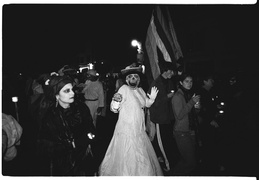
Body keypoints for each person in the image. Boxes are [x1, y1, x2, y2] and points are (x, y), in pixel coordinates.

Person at [99, 64, 163, 176]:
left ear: (138, 79)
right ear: (127, 79)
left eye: (135, 76)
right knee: (127, 157)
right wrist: (116, 101)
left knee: (141, 157)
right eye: (131, 76)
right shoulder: (124, 89)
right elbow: (114, 109)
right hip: (126, 131)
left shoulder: (140, 90)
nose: (133, 78)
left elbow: (145, 104)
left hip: (139, 130)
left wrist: (151, 99)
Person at [36, 75, 97, 175]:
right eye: (66, 91)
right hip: (62, 165)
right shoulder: (50, 116)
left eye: (72, 89)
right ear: (56, 95)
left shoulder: (81, 108)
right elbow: (44, 146)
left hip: (83, 160)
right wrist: (72, 144)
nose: (72, 93)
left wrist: (89, 137)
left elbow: (91, 129)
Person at [147, 61, 178, 173]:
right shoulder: (156, 83)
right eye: (171, 71)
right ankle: (167, 165)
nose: (173, 73)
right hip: (160, 118)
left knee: (167, 140)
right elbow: (151, 102)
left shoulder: (169, 82)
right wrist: (167, 97)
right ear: (165, 70)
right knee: (162, 142)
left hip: (168, 117)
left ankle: (163, 159)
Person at [171, 72, 200, 175]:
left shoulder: (187, 94)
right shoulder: (177, 96)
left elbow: (192, 113)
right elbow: (179, 115)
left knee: (187, 159)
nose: (189, 84)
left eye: (191, 81)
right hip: (181, 132)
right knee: (190, 162)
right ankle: (174, 175)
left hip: (190, 130)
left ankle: (176, 174)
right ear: (181, 82)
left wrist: (196, 107)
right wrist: (192, 102)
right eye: (186, 81)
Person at [196, 75, 222, 173]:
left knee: (212, 143)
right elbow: (200, 110)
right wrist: (210, 120)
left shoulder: (209, 92)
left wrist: (216, 107)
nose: (213, 81)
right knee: (209, 145)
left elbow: (209, 106)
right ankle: (210, 168)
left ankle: (212, 165)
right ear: (205, 81)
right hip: (206, 124)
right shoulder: (201, 93)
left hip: (210, 121)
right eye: (211, 79)